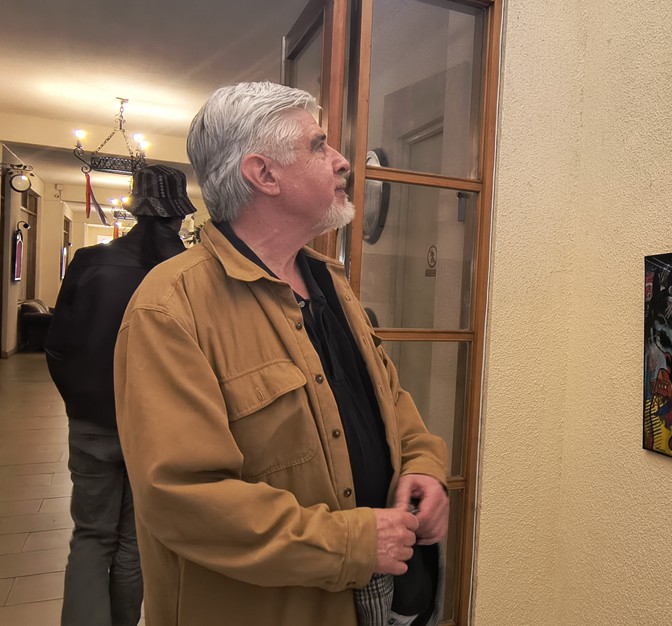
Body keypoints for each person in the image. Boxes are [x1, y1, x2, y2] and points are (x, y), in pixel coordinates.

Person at [113, 82, 449, 626]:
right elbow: (183, 498)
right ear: (263, 174)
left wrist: (425, 468)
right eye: (318, 145)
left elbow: (389, 399)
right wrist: (351, 543)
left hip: (377, 591)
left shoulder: (329, 282)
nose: (342, 160)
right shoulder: (170, 308)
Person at [45, 164, 198, 626]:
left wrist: (80, 402)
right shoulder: (188, 274)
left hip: (92, 423)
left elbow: (57, 346)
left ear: (135, 209)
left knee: (91, 536)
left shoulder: (90, 261)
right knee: (135, 541)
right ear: (178, 215)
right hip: (156, 428)